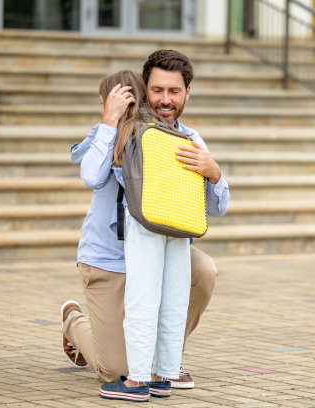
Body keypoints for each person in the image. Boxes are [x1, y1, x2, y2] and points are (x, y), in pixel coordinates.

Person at [60, 50, 229, 392]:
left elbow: (217, 208)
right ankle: (74, 322)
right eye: (157, 91)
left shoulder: (191, 140)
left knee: (204, 271)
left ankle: (160, 362)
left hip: (164, 253)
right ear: (142, 90)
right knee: (116, 372)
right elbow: (91, 176)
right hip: (110, 260)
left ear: (187, 92)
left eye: (174, 91)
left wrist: (214, 173)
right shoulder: (119, 131)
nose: (165, 100)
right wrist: (109, 121)